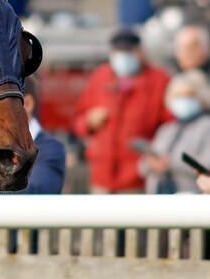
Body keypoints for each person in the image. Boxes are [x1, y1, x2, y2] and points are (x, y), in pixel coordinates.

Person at [73, 28, 173, 193]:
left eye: (129, 51)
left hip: (139, 178)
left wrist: (157, 153)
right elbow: (79, 121)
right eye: (119, 51)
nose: (123, 56)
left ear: (140, 52)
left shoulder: (159, 80)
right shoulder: (100, 77)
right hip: (101, 176)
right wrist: (89, 121)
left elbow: (170, 126)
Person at [139, 70, 210, 193]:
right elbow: (142, 166)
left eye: (189, 95)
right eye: (178, 96)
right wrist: (151, 163)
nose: (183, 100)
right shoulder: (167, 129)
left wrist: (172, 162)